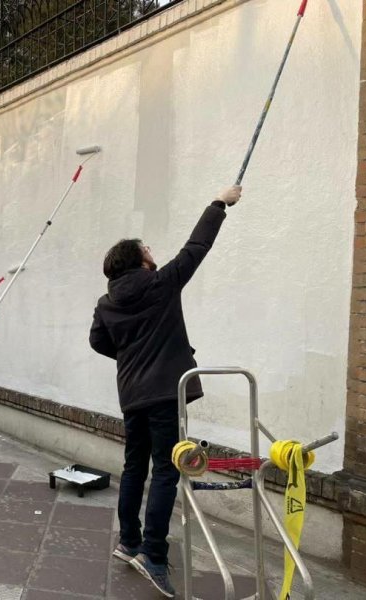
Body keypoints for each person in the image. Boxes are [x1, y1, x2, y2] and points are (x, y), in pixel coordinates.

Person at [88, 185, 242, 598]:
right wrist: (219, 204)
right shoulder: (161, 283)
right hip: (163, 394)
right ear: (140, 259)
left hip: (132, 395)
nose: (153, 250)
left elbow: (98, 342)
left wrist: (130, 355)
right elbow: (197, 247)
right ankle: (153, 555)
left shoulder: (106, 303)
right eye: (147, 247)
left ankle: (129, 541)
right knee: (166, 469)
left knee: (135, 467)